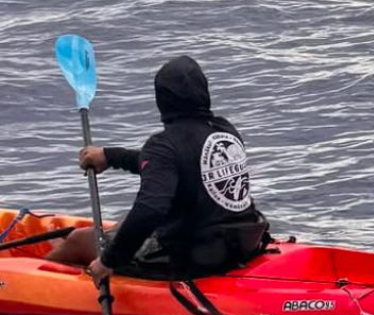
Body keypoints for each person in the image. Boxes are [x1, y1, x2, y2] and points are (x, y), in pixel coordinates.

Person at [46, 55, 268, 280]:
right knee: (125, 223)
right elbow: (169, 165)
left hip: (193, 260)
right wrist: (110, 156)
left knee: (79, 240)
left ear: (162, 100)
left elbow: (151, 209)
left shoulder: (164, 145)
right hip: (242, 243)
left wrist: (108, 261)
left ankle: (40, 277)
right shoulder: (224, 130)